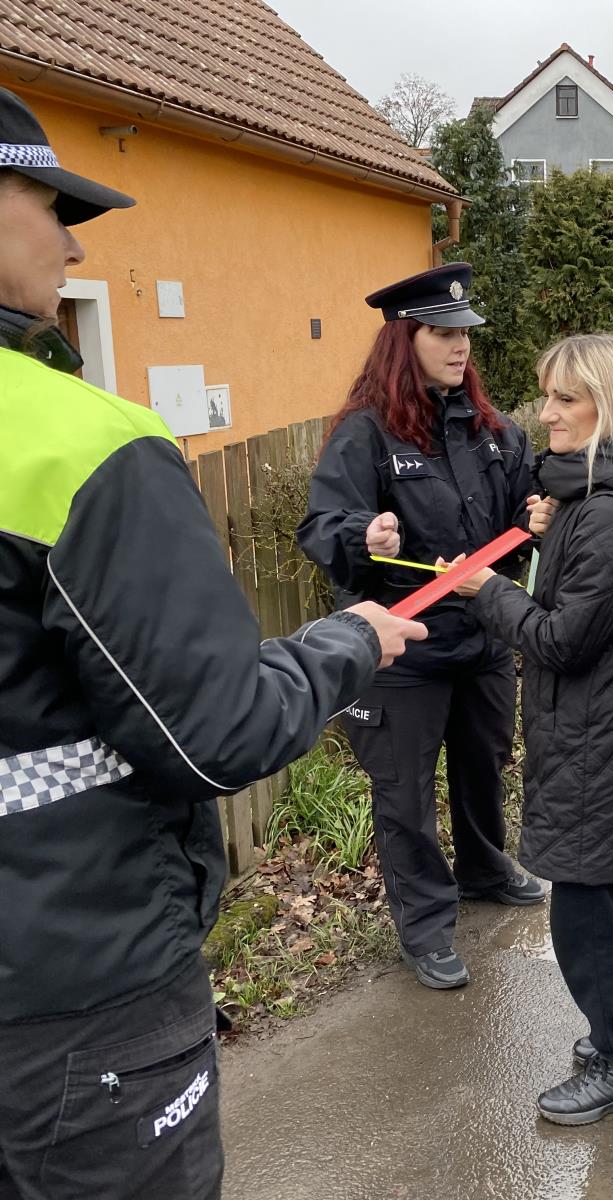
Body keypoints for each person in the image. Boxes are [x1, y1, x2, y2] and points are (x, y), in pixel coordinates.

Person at [0, 86, 425, 1200]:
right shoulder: (74, 446)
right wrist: (346, 641)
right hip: (71, 993)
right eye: (51, 203)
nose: (72, 239)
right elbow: (214, 729)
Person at [449, 333, 613, 1126]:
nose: (545, 412)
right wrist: (547, 529)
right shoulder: (599, 500)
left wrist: (485, 590)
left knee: (583, 907)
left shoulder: (608, 516)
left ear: (608, 406)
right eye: (546, 395)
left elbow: (560, 638)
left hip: (598, 736)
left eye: (566, 399)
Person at [297, 264, 546, 992]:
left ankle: (483, 868)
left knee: (483, 762)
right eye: (442, 333)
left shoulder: (495, 432)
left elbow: (519, 518)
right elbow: (320, 526)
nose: (460, 346)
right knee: (402, 792)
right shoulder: (364, 434)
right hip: (399, 647)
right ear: (404, 340)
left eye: (464, 333)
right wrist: (361, 533)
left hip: (482, 639)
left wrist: (536, 516)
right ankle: (425, 923)